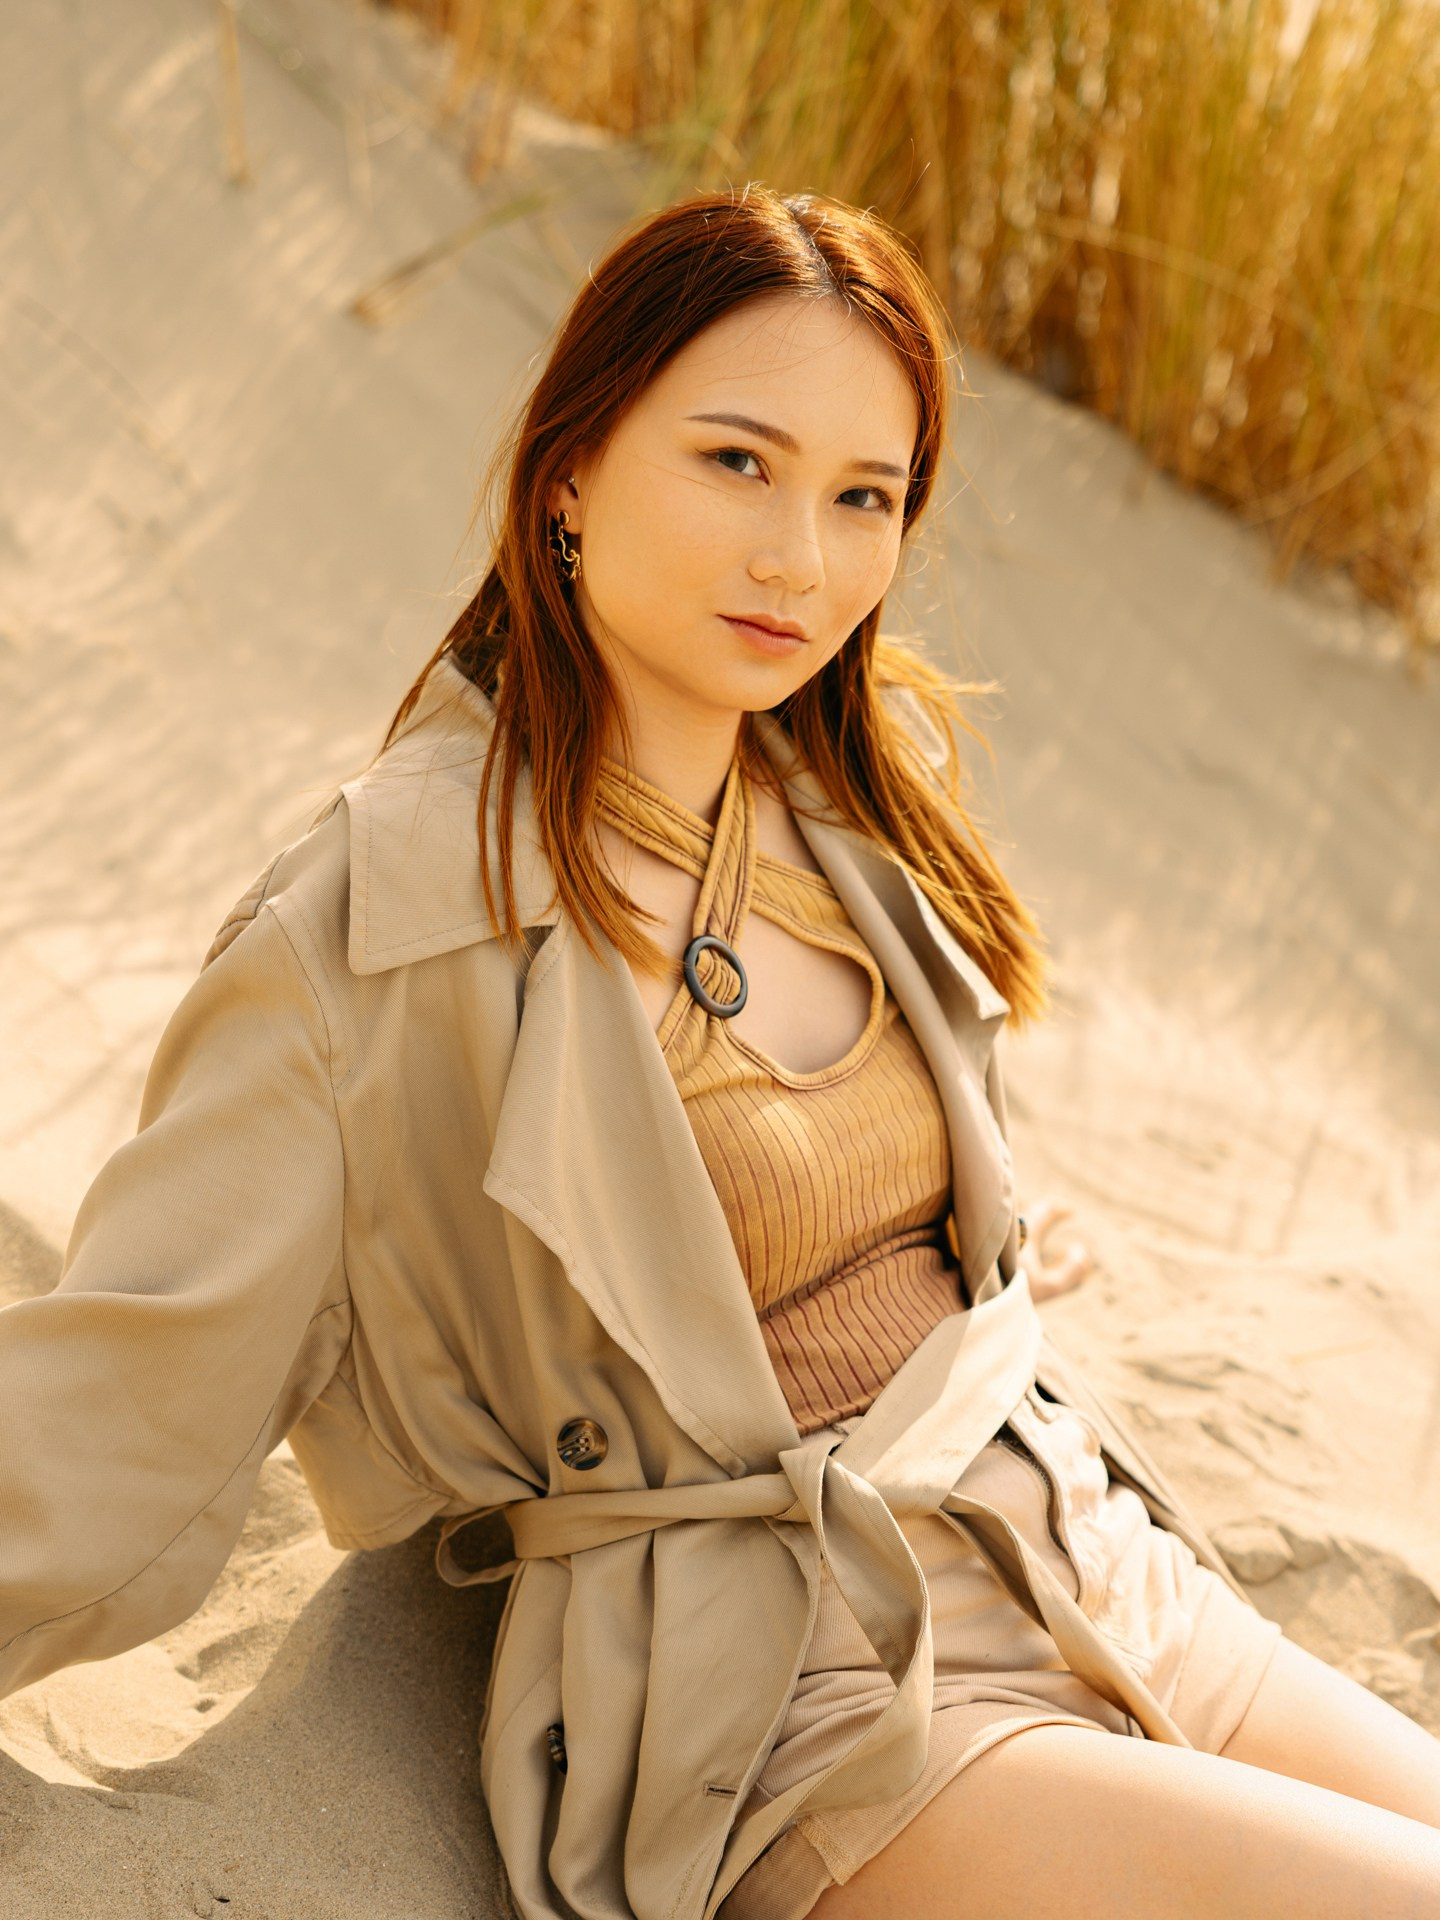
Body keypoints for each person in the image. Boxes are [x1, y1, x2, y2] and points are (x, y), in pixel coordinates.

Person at [1, 185, 1438, 1920]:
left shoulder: (827, 803)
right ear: (571, 472)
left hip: (1089, 1558)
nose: (799, 561)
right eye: (736, 463)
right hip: (801, 1700)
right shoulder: (372, 931)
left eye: (864, 497)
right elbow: (117, 1415)